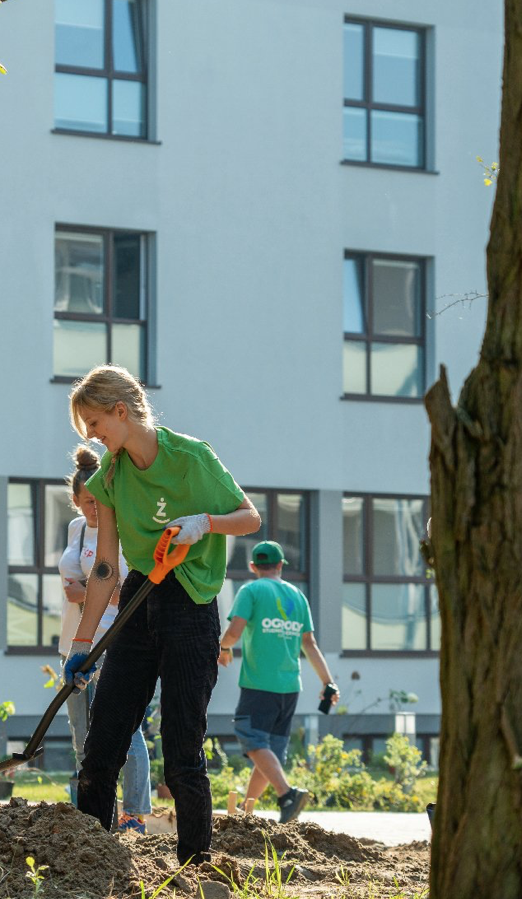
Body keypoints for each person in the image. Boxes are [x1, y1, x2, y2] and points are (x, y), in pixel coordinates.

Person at [62, 365, 261, 868]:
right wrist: (82, 645)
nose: (93, 437)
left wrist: (204, 524)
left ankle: (195, 867)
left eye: (94, 424)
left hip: (190, 603)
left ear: (121, 411)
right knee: (103, 743)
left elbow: (250, 517)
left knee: (182, 749)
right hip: (137, 597)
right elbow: (106, 566)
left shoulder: (191, 458)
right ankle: (91, 861)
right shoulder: (109, 476)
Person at [57, 445, 152, 833]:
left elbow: (124, 587)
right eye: (85, 503)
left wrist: (95, 590)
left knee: (123, 728)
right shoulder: (77, 529)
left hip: (116, 639)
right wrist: (89, 588)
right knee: (83, 733)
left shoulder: (124, 525)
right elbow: (71, 586)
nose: (93, 510)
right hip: (75, 640)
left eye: (98, 501)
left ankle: (133, 813)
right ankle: (97, 813)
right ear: (76, 501)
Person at [217, 540, 337, 824]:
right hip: (289, 687)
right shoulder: (298, 595)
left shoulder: (251, 590)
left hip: (260, 683)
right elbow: (310, 643)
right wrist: (328, 682)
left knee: (251, 736)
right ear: (281, 565)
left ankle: (286, 795)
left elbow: (235, 630)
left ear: (252, 566)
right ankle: (247, 812)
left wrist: (222, 648)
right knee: (268, 749)